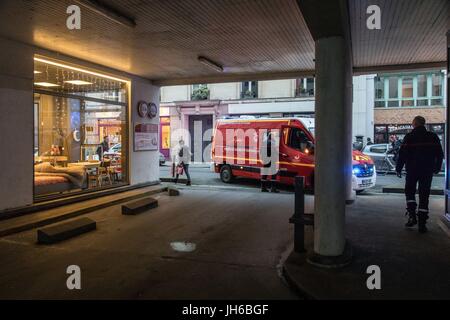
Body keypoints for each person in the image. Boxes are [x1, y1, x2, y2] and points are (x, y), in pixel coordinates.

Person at [396, 116, 443, 233]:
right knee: (424, 195)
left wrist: (398, 168)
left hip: (412, 170)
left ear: (415, 123)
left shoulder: (409, 137)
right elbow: (439, 154)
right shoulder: (433, 137)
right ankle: (422, 224)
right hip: (427, 170)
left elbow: (402, 155)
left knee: (410, 192)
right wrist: (437, 168)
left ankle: (412, 217)